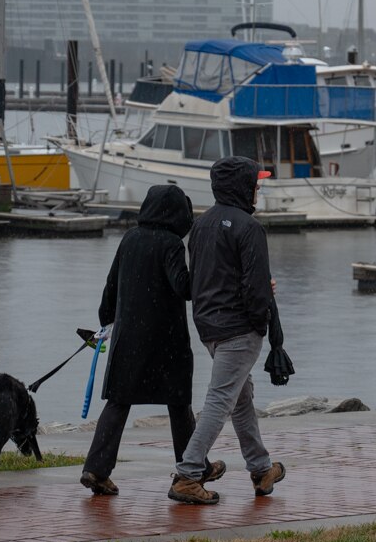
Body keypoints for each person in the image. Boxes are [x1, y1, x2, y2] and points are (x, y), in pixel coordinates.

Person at [170, 155, 286, 505]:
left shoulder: (201, 225)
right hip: (239, 327)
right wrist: (260, 318)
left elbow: (203, 280)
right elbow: (253, 288)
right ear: (242, 187)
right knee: (221, 399)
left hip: (208, 326)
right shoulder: (250, 228)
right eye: (256, 184)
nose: (258, 189)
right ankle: (188, 474)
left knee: (240, 396)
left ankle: (260, 467)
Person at [81, 184, 198, 496]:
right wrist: (200, 265)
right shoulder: (172, 244)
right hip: (166, 340)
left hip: (128, 338)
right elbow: (183, 288)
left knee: (118, 402)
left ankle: (96, 468)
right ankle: (193, 467)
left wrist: (106, 317)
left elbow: (111, 284)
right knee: (179, 403)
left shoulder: (130, 238)